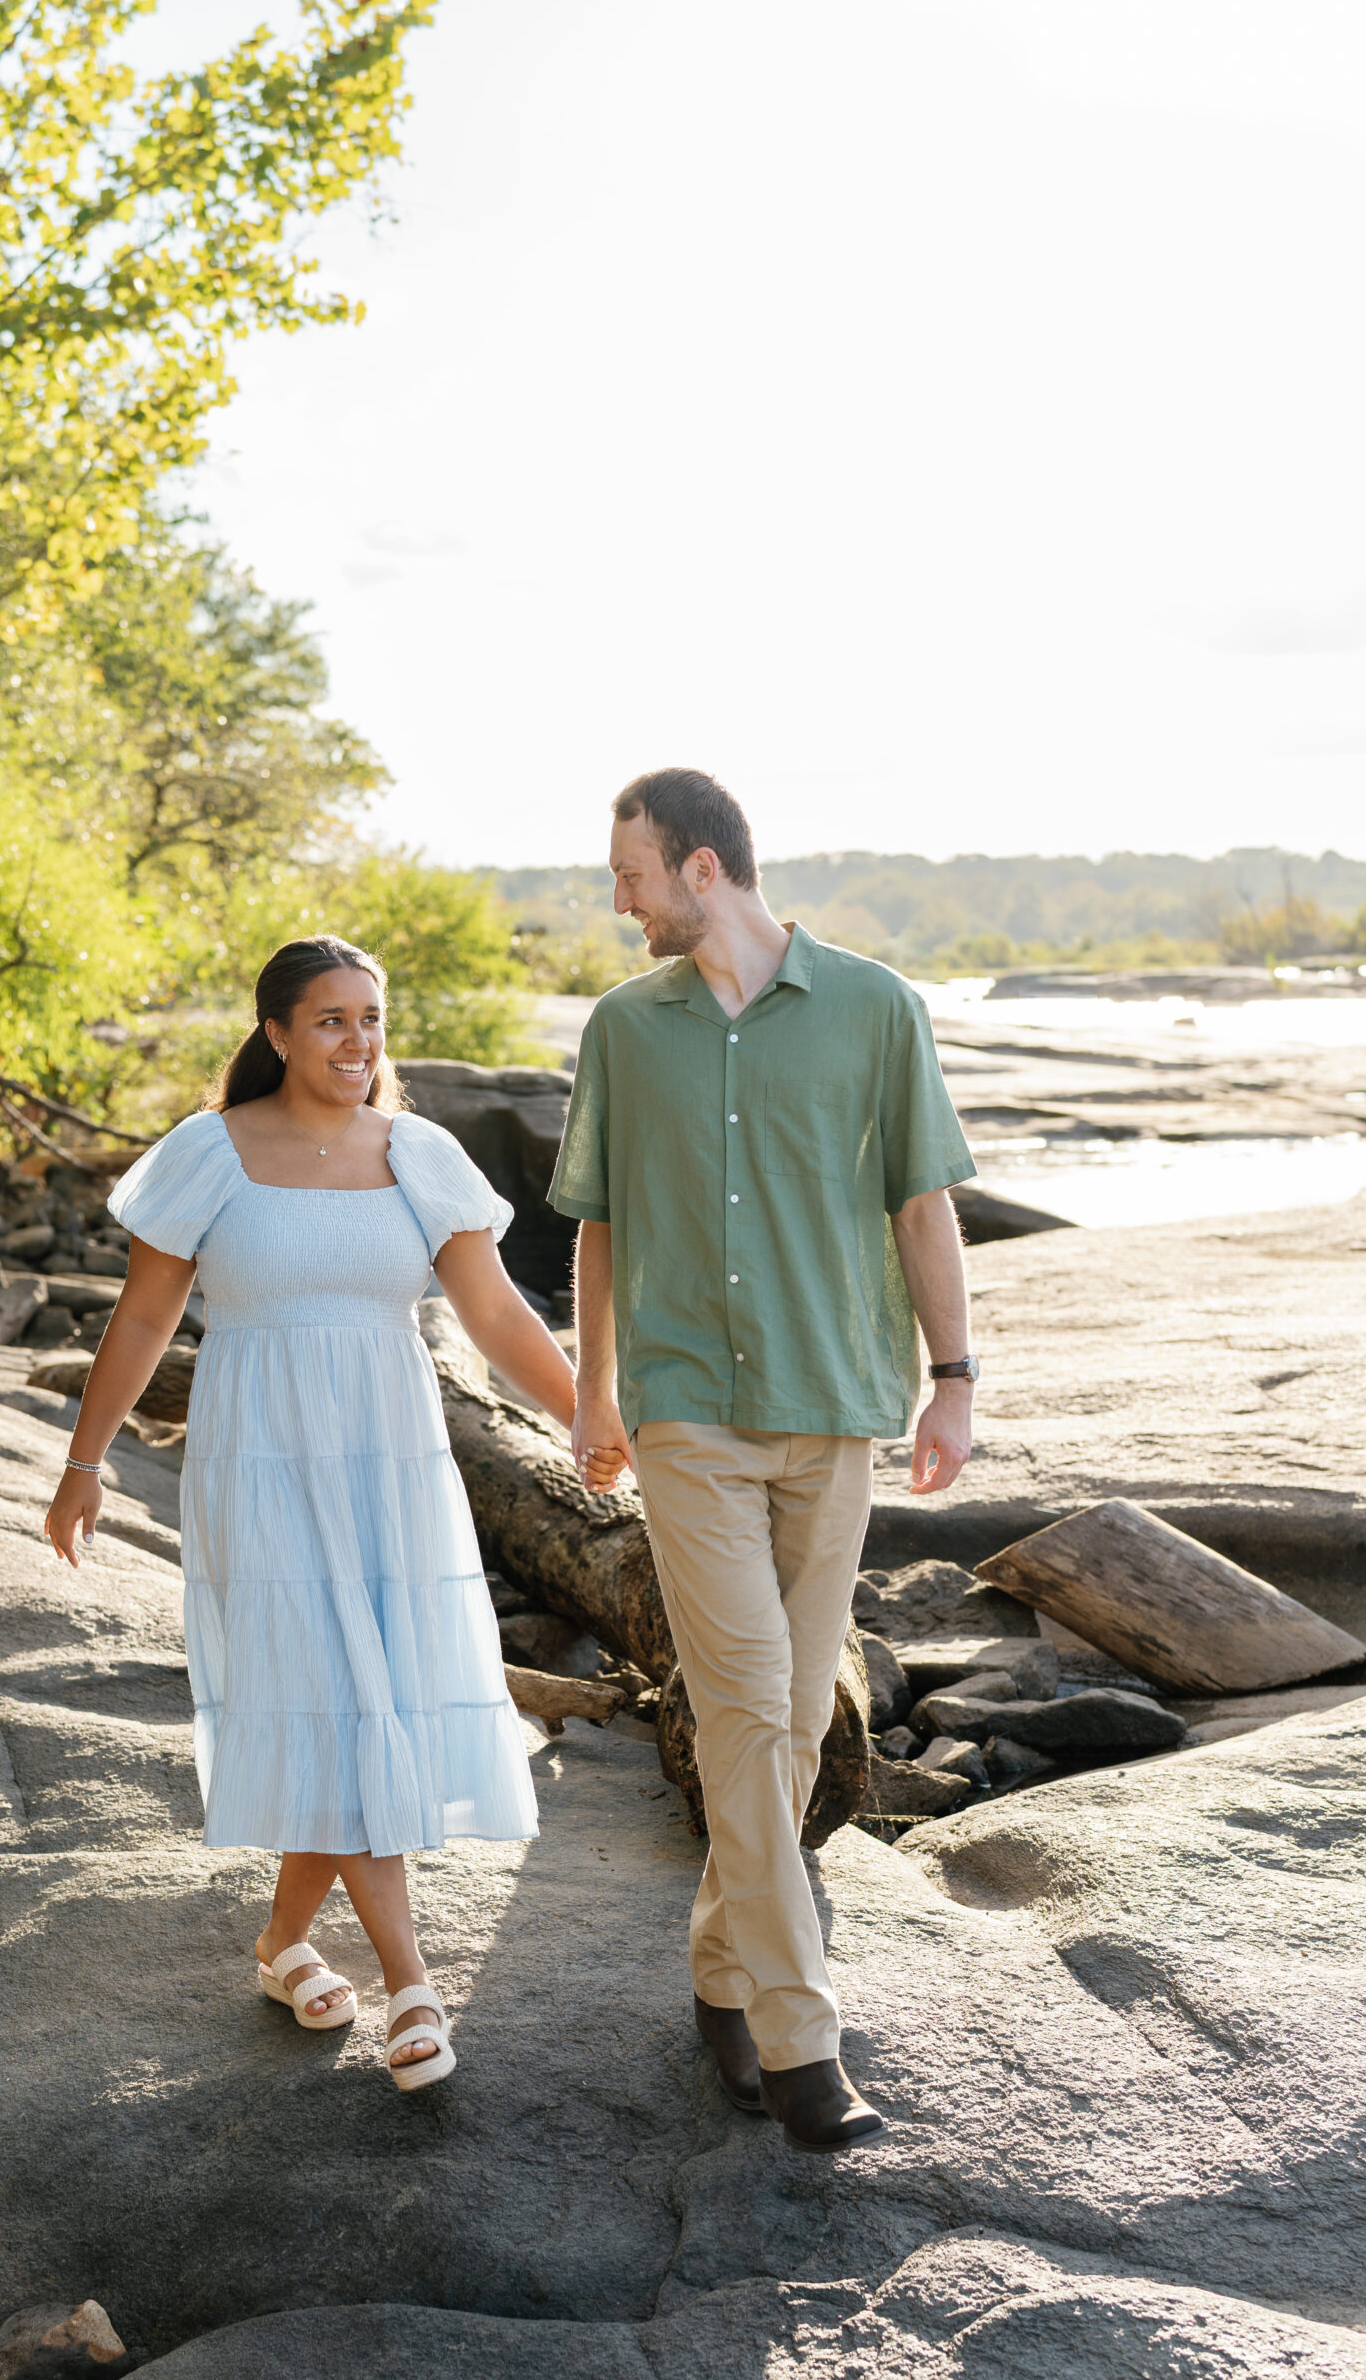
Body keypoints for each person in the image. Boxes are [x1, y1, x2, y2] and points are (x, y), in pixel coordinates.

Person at [44, 935, 622, 2091]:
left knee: (362, 1695)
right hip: (259, 1455)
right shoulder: (208, 1154)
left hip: (389, 1460)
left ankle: (280, 1944)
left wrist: (593, 1417)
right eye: (329, 1021)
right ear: (275, 1033)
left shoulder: (420, 1153)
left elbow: (499, 1317)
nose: (356, 1043)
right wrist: (84, 1462)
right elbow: (144, 1320)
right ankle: (413, 1982)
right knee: (337, 1691)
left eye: (370, 1019)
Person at [550, 769, 979, 2151]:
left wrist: (954, 1381)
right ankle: (802, 2047)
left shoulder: (874, 1008)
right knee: (739, 1710)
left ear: (702, 868)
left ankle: (720, 1973)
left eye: (629, 873)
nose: (616, 899)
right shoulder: (624, 1031)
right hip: (685, 1416)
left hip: (836, 1404)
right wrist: (593, 1392)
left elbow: (921, 1204)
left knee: (795, 1722)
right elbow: (598, 1224)